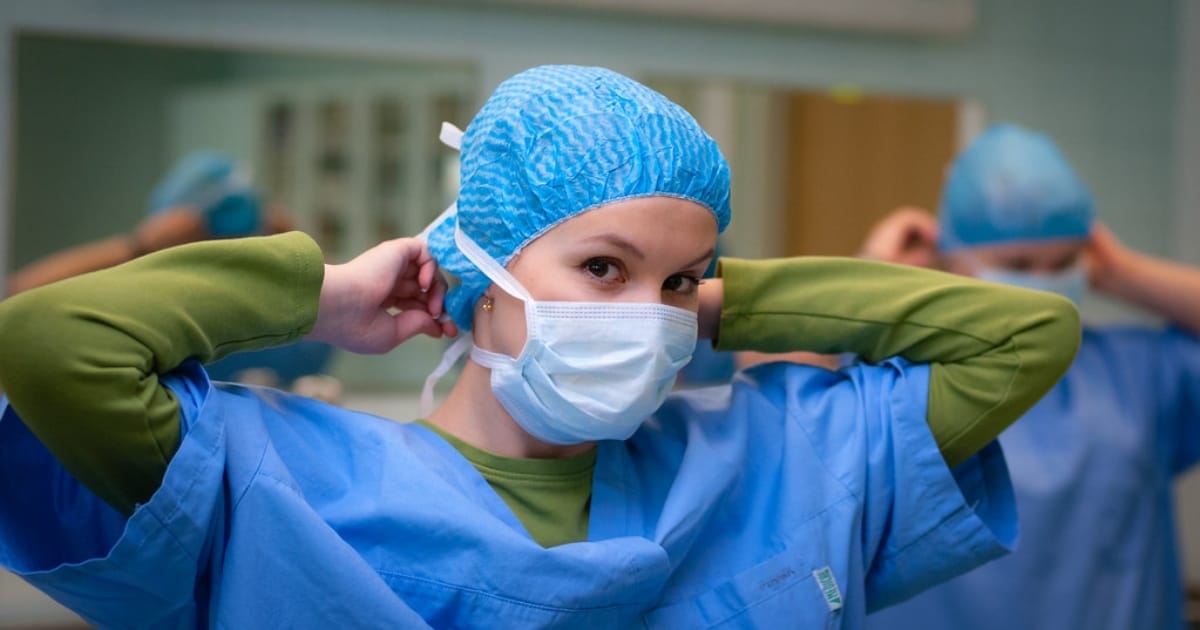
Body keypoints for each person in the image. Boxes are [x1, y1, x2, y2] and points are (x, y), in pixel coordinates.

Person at [0, 66, 1080, 628]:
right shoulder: (272, 483)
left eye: (680, 281)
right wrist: (321, 297)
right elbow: (49, 341)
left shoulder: (777, 461)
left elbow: (1026, 334)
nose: (648, 315)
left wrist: (718, 303)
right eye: (604, 269)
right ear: (480, 276)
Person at [863, 124, 1200, 630]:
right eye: (1017, 263)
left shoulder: (1139, 370)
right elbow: (776, 417)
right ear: (951, 259)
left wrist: (1121, 271)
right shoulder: (889, 376)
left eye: (1063, 263)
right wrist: (869, 282)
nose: (1042, 283)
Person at [4, 150, 337, 392]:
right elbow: (16, 304)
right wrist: (137, 247)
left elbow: (16, 304)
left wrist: (293, 247)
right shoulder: (144, 309)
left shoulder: (275, 322)